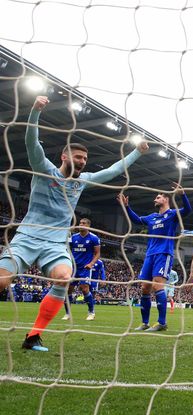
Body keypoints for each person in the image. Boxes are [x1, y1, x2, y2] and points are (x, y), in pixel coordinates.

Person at [0, 95, 148, 352]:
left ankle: (33, 336)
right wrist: (35, 111)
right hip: (27, 237)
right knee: (2, 281)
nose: (82, 162)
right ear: (64, 156)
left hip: (56, 243)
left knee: (64, 278)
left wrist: (137, 152)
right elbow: (31, 142)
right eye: (78, 157)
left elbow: (112, 171)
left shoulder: (83, 181)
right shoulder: (44, 169)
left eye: (84, 159)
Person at [117, 184, 191, 332]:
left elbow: (188, 210)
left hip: (164, 254)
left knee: (158, 286)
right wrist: (126, 207)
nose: (154, 200)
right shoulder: (152, 217)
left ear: (166, 199)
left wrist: (183, 195)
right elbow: (137, 220)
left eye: (158, 197)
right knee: (144, 287)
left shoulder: (172, 214)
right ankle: (144, 323)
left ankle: (162, 322)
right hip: (150, 254)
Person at [62, 218, 101, 322]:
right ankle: (67, 313)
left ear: (88, 226)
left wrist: (91, 264)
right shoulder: (73, 237)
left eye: (83, 223)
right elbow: (68, 250)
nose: (80, 224)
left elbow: (97, 253)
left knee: (84, 289)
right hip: (73, 267)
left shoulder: (94, 238)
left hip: (85, 268)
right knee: (68, 290)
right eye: (80, 223)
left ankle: (91, 312)